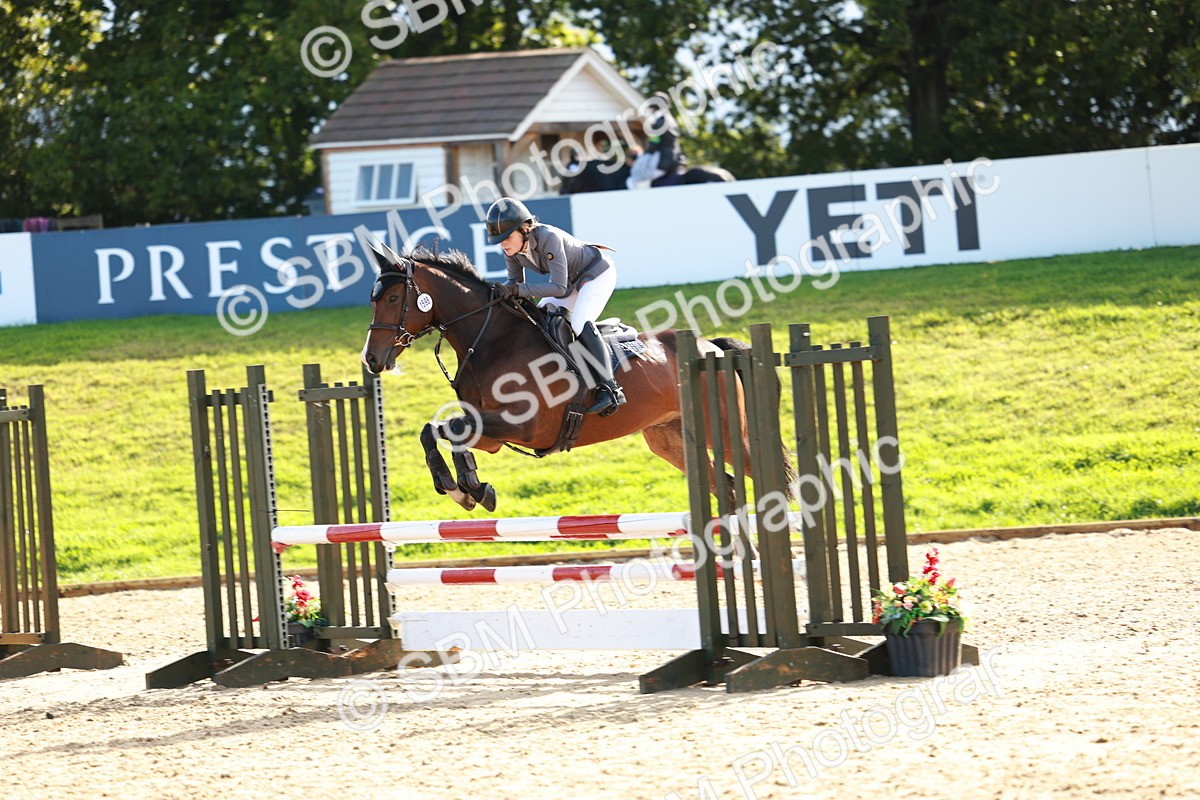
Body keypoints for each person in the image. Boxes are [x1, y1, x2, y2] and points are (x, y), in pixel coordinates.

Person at [485, 197, 626, 417]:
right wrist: (495, 294)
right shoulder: (511, 250)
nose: (503, 244)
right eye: (500, 240)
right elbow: (514, 283)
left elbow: (559, 288)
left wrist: (518, 290)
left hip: (596, 274)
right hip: (571, 283)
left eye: (507, 237)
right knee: (542, 319)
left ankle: (611, 388)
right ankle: (568, 372)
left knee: (579, 323)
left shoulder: (548, 237)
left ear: (524, 229)